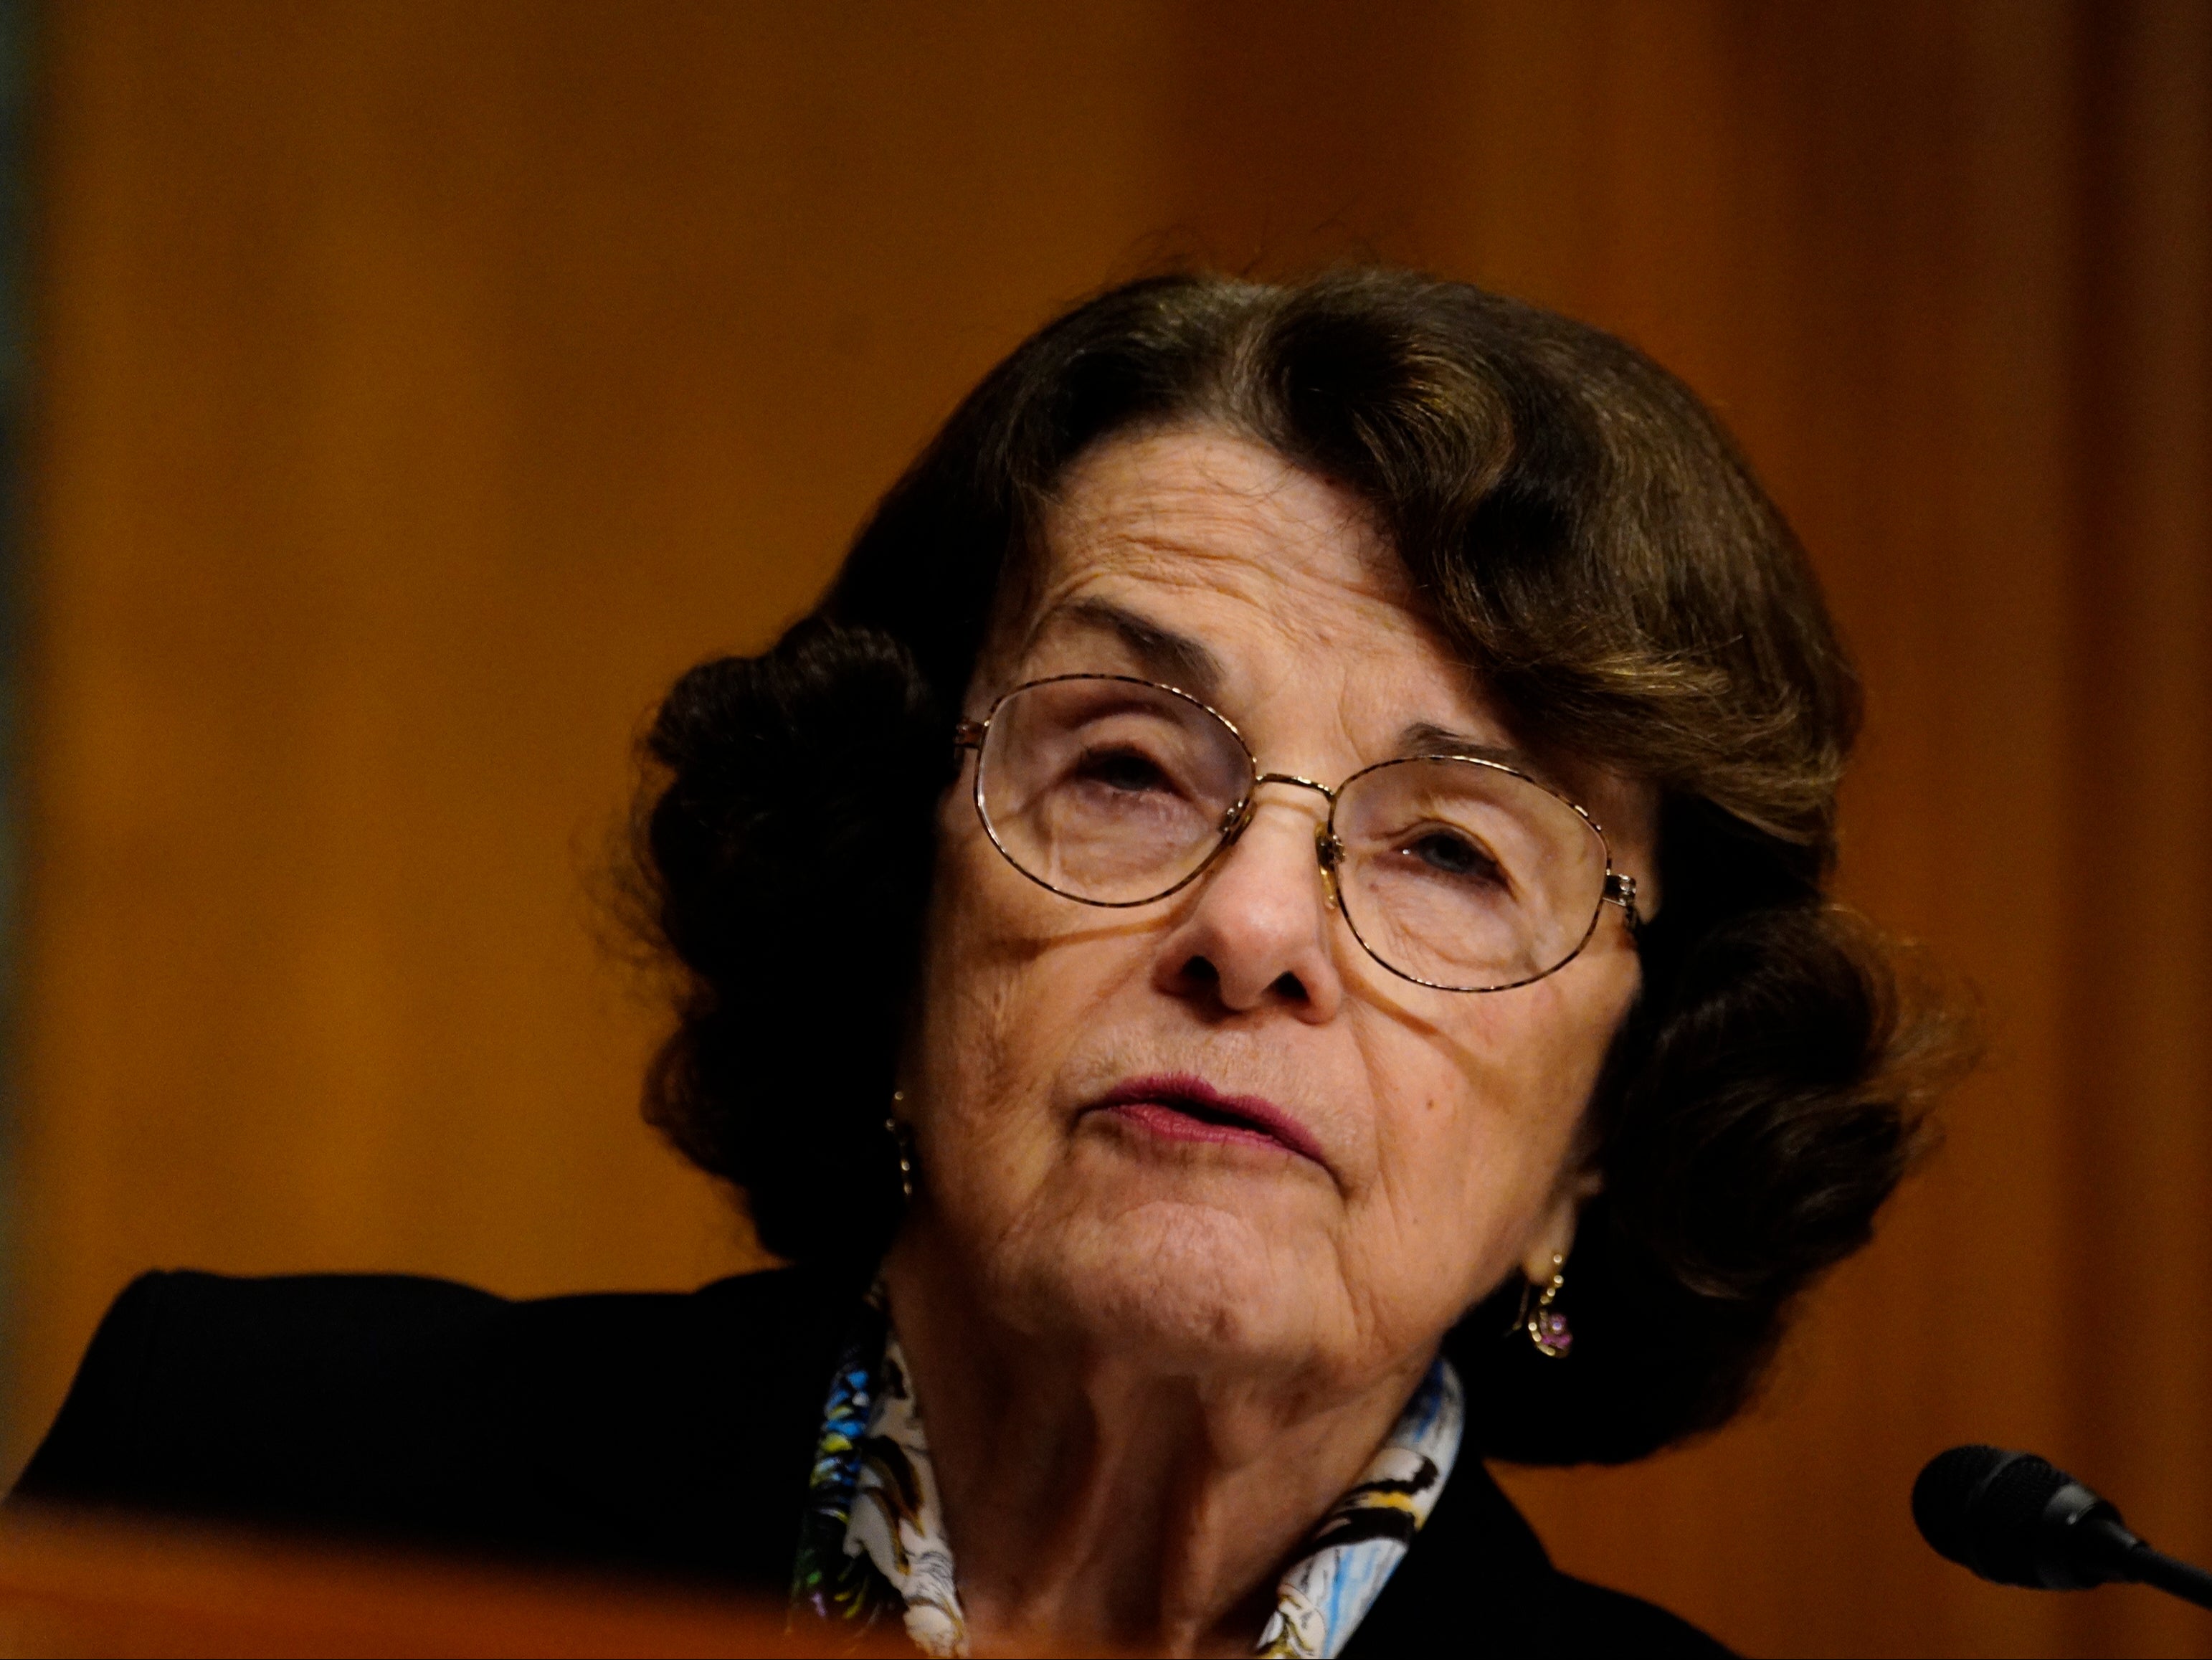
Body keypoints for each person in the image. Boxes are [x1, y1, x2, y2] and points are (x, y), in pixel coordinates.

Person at [13, 270, 1957, 1657]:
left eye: (1451, 847)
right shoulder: (264, 1471)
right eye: (1123, 766)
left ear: (1621, 1110)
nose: (1255, 929)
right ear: (896, 881)